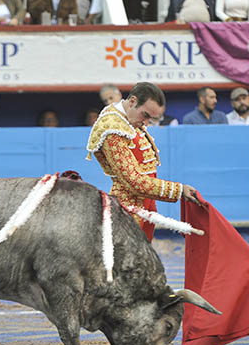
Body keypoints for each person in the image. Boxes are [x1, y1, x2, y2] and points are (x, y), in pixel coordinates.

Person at [86, 81, 203, 243]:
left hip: (143, 204)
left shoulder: (127, 117)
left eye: (152, 118)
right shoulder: (112, 128)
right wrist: (178, 190)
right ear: (132, 101)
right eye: (146, 116)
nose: (147, 123)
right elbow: (133, 181)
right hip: (128, 209)